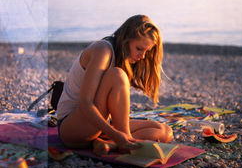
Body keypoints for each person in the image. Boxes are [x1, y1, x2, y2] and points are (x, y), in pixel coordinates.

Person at [56, 14, 173, 155]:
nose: (142, 56)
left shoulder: (121, 58)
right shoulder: (103, 51)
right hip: (72, 127)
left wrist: (114, 135)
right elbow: (85, 103)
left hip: (96, 123)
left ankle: (109, 144)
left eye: (147, 51)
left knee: (164, 131)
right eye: (139, 49)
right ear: (126, 40)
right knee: (118, 75)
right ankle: (121, 141)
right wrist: (115, 133)